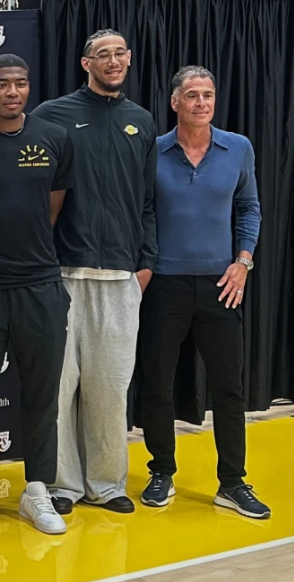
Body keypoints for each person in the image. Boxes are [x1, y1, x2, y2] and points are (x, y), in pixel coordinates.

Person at [0, 28, 157, 515]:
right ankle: (59, 485)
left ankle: (107, 483)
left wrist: (145, 263)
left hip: (121, 277)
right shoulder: (52, 117)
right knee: (58, 389)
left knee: (110, 389)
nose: (112, 61)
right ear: (85, 63)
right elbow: (46, 206)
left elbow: (148, 200)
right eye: (102, 54)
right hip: (60, 271)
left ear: (129, 60)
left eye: (119, 54)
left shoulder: (142, 120)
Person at [137, 66, 269, 518]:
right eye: (191, 95)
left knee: (229, 389)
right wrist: (145, 266)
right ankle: (161, 471)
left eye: (208, 95)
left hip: (221, 285)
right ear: (174, 102)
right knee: (156, 384)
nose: (200, 103)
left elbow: (249, 207)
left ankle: (232, 482)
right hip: (164, 287)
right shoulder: (152, 151)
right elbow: (143, 212)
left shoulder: (239, 149)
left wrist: (243, 261)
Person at [0, 54, 73, 536]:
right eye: (2, 84)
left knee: (43, 396)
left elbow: (51, 208)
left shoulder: (54, 138)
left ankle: (37, 492)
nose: (13, 92)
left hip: (40, 285)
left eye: (21, 83)